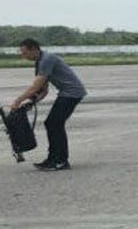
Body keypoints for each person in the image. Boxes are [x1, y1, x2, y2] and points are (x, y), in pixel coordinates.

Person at [10, 39, 87, 171]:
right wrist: (31, 103)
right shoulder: (40, 61)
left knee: (54, 123)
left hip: (72, 93)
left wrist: (18, 101)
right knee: (51, 123)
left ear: (34, 49)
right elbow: (43, 90)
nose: (23, 55)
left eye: (24, 52)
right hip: (67, 93)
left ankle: (61, 161)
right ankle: (53, 159)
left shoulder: (46, 60)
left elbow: (35, 87)